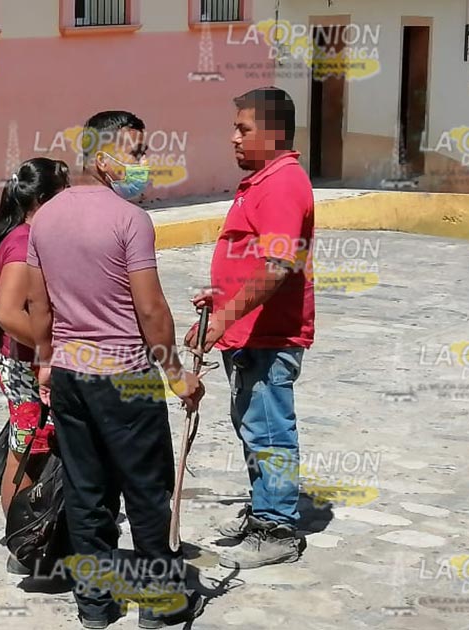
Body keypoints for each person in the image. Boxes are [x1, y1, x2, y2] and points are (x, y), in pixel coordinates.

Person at [25, 111, 204, 629]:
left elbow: (39, 303)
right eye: (137, 152)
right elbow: (151, 310)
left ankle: (95, 608)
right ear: (103, 160)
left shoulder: (47, 218)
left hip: (71, 378)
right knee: (147, 492)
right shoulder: (130, 221)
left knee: (87, 494)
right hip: (125, 375)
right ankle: (159, 604)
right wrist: (176, 374)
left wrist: (44, 362)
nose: (145, 163)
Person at [185, 87, 314, 570]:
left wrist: (224, 316)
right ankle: (264, 508)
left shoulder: (282, 184)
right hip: (247, 332)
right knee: (253, 425)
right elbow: (254, 259)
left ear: (274, 133)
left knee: (270, 429)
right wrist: (220, 299)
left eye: (244, 129)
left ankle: (277, 526)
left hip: (269, 335)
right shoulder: (262, 182)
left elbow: (279, 263)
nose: (233, 138)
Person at [0, 157, 70, 569]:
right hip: (26, 364)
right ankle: (22, 540)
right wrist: (55, 348)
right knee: (27, 449)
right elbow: (8, 315)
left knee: (36, 447)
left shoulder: (30, 236)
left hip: (32, 361)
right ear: (44, 200)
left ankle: (36, 530)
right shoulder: (21, 244)